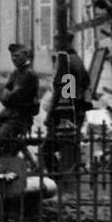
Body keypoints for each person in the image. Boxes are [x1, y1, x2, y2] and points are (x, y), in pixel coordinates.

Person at [45, 42, 92, 173]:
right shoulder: (78, 60)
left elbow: (64, 90)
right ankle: (69, 173)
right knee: (71, 145)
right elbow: (85, 83)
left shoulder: (66, 61)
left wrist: (51, 112)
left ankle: (58, 176)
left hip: (67, 112)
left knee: (49, 147)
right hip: (76, 108)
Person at [0, 45, 40, 156]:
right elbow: (5, 91)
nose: (14, 59)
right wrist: (7, 95)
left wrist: (8, 96)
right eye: (12, 56)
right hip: (9, 115)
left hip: (20, 117)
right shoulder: (16, 73)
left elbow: (16, 95)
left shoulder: (29, 74)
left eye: (17, 55)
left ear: (25, 55)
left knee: (3, 140)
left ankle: (5, 165)